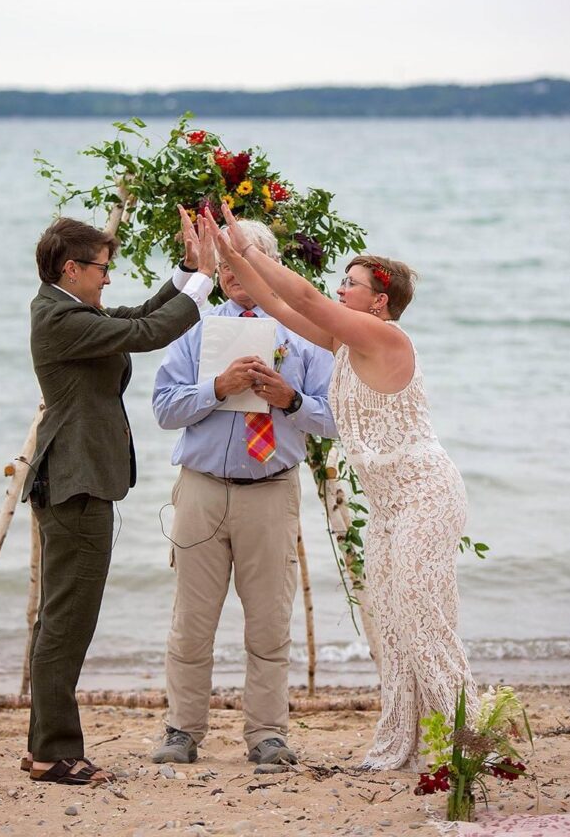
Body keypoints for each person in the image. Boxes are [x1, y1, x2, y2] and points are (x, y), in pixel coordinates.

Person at [205, 203, 478, 771]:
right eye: (341, 283)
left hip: (426, 493)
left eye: (350, 285)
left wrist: (246, 241)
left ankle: (472, 740)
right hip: (387, 507)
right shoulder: (344, 347)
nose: (339, 290)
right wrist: (231, 254)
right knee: (396, 624)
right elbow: (279, 306)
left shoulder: (385, 339)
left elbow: (304, 299)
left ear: (379, 302)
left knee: (423, 617)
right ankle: (400, 745)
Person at [22, 213, 214, 785]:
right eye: (103, 268)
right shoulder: (58, 318)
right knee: (67, 622)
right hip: (75, 481)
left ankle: (42, 746)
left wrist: (185, 273)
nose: (109, 279)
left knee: (60, 618)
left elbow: (136, 318)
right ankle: (54, 752)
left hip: (78, 478)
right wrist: (205, 277)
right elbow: (147, 335)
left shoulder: (69, 310)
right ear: (71, 268)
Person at [151, 218, 337, 767]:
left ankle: (267, 734)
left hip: (271, 491)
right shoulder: (197, 329)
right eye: (225, 262)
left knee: (269, 617)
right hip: (203, 489)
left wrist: (291, 399)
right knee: (192, 618)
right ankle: (183, 729)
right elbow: (164, 408)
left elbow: (336, 418)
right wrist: (217, 388)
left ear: (270, 264)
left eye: (244, 260)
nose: (233, 272)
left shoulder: (304, 335)